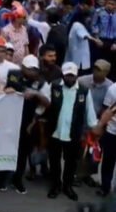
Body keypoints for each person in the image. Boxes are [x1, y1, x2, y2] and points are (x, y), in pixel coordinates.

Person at [39, 62, 98, 200]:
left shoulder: (84, 91)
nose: (69, 79)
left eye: (72, 76)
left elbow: (90, 112)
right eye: (67, 76)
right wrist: (38, 117)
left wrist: (94, 128)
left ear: (76, 76)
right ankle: (56, 185)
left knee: (71, 162)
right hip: (55, 131)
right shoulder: (53, 86)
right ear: (63, 75)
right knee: (54, 161)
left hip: (73, 134)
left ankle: (67, 186)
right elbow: (44, 104)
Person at [4, 55, 47, 194]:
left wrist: (37, 94)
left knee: (23, 151)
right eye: (29, 69)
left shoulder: (41, 83)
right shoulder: (13, 74)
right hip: (9, 118)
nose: (32, 72)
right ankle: (2, 178)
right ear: (22, 67)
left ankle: (18, 179)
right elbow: (6, 88)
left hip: (28, 121)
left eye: (35, 69)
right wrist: (11, 90)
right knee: (6, 147)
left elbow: (46, 104)